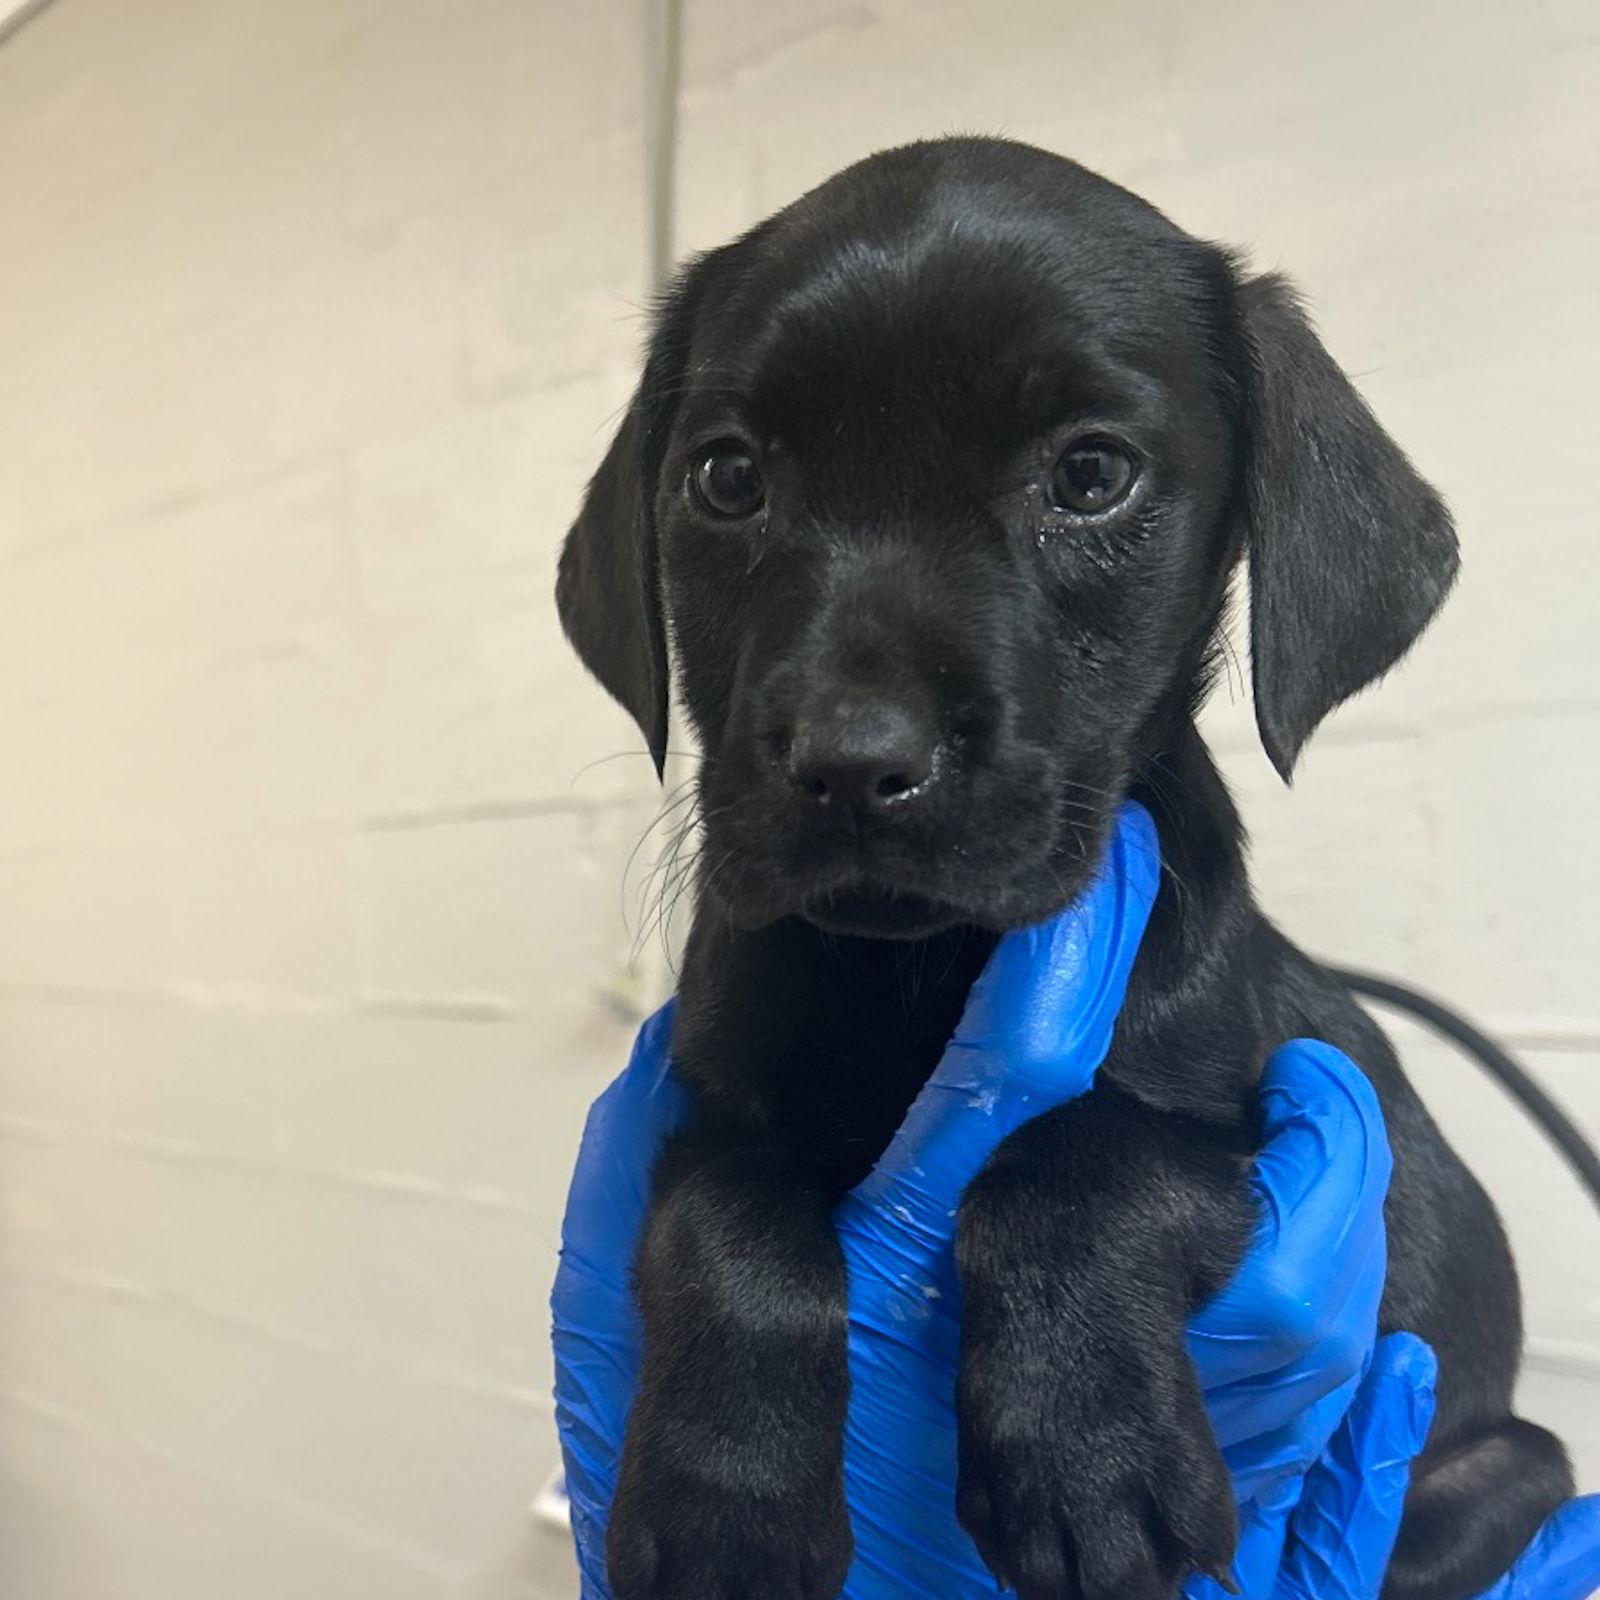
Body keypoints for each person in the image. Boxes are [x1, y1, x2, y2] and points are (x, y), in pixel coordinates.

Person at [552, 804, 1600, 1599]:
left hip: (1420, 1497)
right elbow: (743, 1161)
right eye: (732, 496)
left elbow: (1211, 1167)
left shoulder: (1166, 935)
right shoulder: (766, 939)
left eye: (1084, 495)